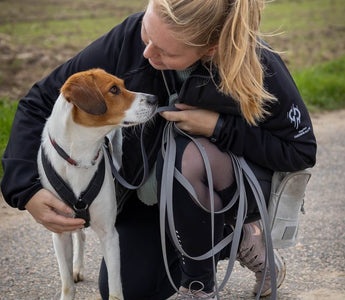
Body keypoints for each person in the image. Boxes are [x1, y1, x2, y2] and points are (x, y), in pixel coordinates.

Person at [1, 0, 317, 299]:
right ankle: (233, 243)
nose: (147, 51)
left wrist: (220, 127)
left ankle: (202, 281)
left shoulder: (259, 67)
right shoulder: (129, 38)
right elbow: (40, 100)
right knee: (134, 287)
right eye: (147, 33)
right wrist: (25, 188)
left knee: (192, 156)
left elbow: (301, 150)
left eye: (165, 51)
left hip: (224, 188)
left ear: (211, 49)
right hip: (152, 197)